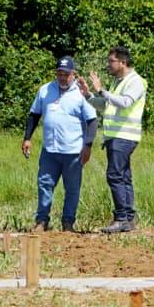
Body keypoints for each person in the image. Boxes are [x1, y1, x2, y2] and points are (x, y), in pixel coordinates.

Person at [22, 56, 97, 233]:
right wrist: (27, 138)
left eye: (66, 74)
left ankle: (68, 223)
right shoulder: (45, 90)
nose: (62, 77)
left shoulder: (81, 93)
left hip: (73, 151)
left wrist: (88, 146)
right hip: (50, 149)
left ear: (73, 74)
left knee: (72, 189)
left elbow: (92, 121)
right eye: (59, 74)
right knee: (44, 185)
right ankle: (42, 221)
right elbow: (34, 115)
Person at [79, 46, 146, 233]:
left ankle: (121, 218)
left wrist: (101, 90)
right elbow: (106, 105)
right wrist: (88, 95)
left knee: (114, 175)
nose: (108, 64)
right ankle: (128, 219)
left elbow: (125, 102)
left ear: (122, 62)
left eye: (111, 61)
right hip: (116, 136)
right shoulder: (118, 82)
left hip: (124, 135)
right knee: (123, 176)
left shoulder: (136, 81)